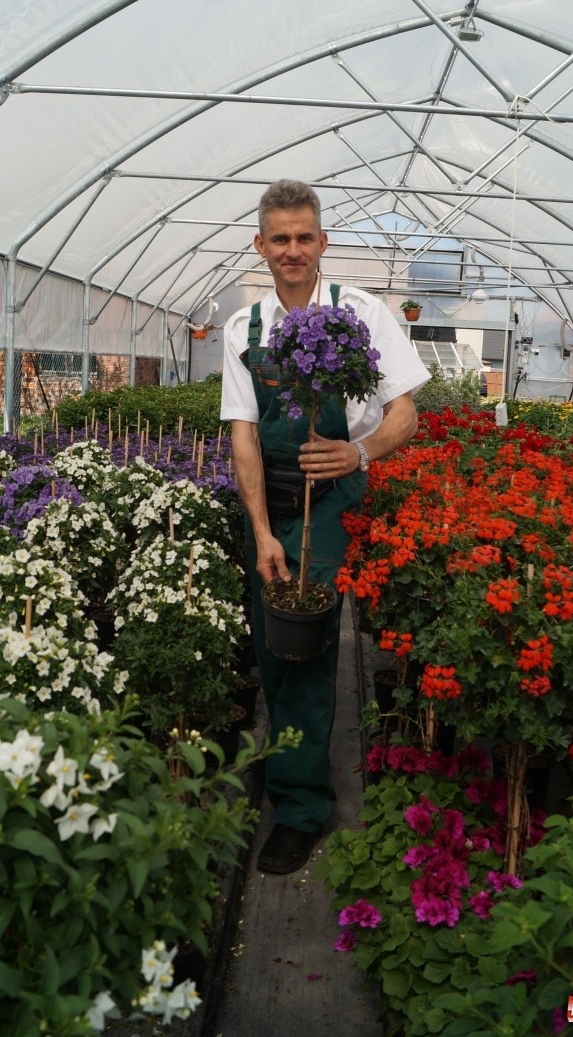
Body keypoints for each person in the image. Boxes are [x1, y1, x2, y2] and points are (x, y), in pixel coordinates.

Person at [221, 179, 429, 874]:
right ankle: (284, 768)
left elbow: (406, 411)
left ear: (323, 241)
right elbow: (244, 435)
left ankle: (302, 807)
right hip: (269, 507)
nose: (292, 250)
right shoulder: (243, 329)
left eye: (304, 236)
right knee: (270, 640)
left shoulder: (361, 314)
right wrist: (261, 531)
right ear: (260, 244)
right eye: (279, 238)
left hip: (333, 500)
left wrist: (359, 450)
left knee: (304, 644)